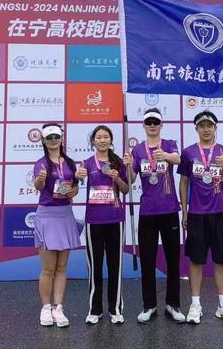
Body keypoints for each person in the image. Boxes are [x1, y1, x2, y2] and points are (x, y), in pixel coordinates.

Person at [177, 110, 223, 325]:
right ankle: (195, 305)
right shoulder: (188, 153)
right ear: (197, 129)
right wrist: (184, 211)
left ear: (215, 128)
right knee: (196, 261)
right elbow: (183, 182)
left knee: (222, 260)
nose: (206, 129)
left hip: (220, 213)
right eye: (202, 126)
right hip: (196, 214)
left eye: (209, 125)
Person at [123, 108, 185, 323]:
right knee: (147, 261)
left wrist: (164, 156)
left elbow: (178, 159)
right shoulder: (138, 150)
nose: (152, 125)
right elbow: (131, 180)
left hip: (169, 210)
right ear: (143, 125)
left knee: (173, 260)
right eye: (148, 122)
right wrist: (128, 166)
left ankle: (173, 304)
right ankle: (149, 305)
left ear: (161, 125)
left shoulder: (169, 144)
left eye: (155, 122)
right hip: (148, 212)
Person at [76, 125, 129, 324]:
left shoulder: (117, 162)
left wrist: (117, 178)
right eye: (98, 137)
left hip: (115, 220)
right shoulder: (87, 163)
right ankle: (95, 309)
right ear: (93, 141)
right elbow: (74, 186)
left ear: (110, 140)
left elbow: (126, 189)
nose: (102, 140)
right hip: (94, 220)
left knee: (115, 266)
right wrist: (77, 177)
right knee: (94, 267)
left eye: (106, 137)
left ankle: (115, 309)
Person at [32, 123, 81, 328]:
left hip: (65, 214)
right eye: (49, 137)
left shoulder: (69, 162)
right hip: (47, 215)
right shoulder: (41, 164)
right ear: (44, 141)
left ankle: (58, 308)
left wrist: (73, 192)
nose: (53, 140)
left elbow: (75, 188)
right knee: (48, 269)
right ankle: (45, 308)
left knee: (61, 267)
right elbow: (38, 186)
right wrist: (40, 180)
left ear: (61, 139)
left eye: (56, 137)